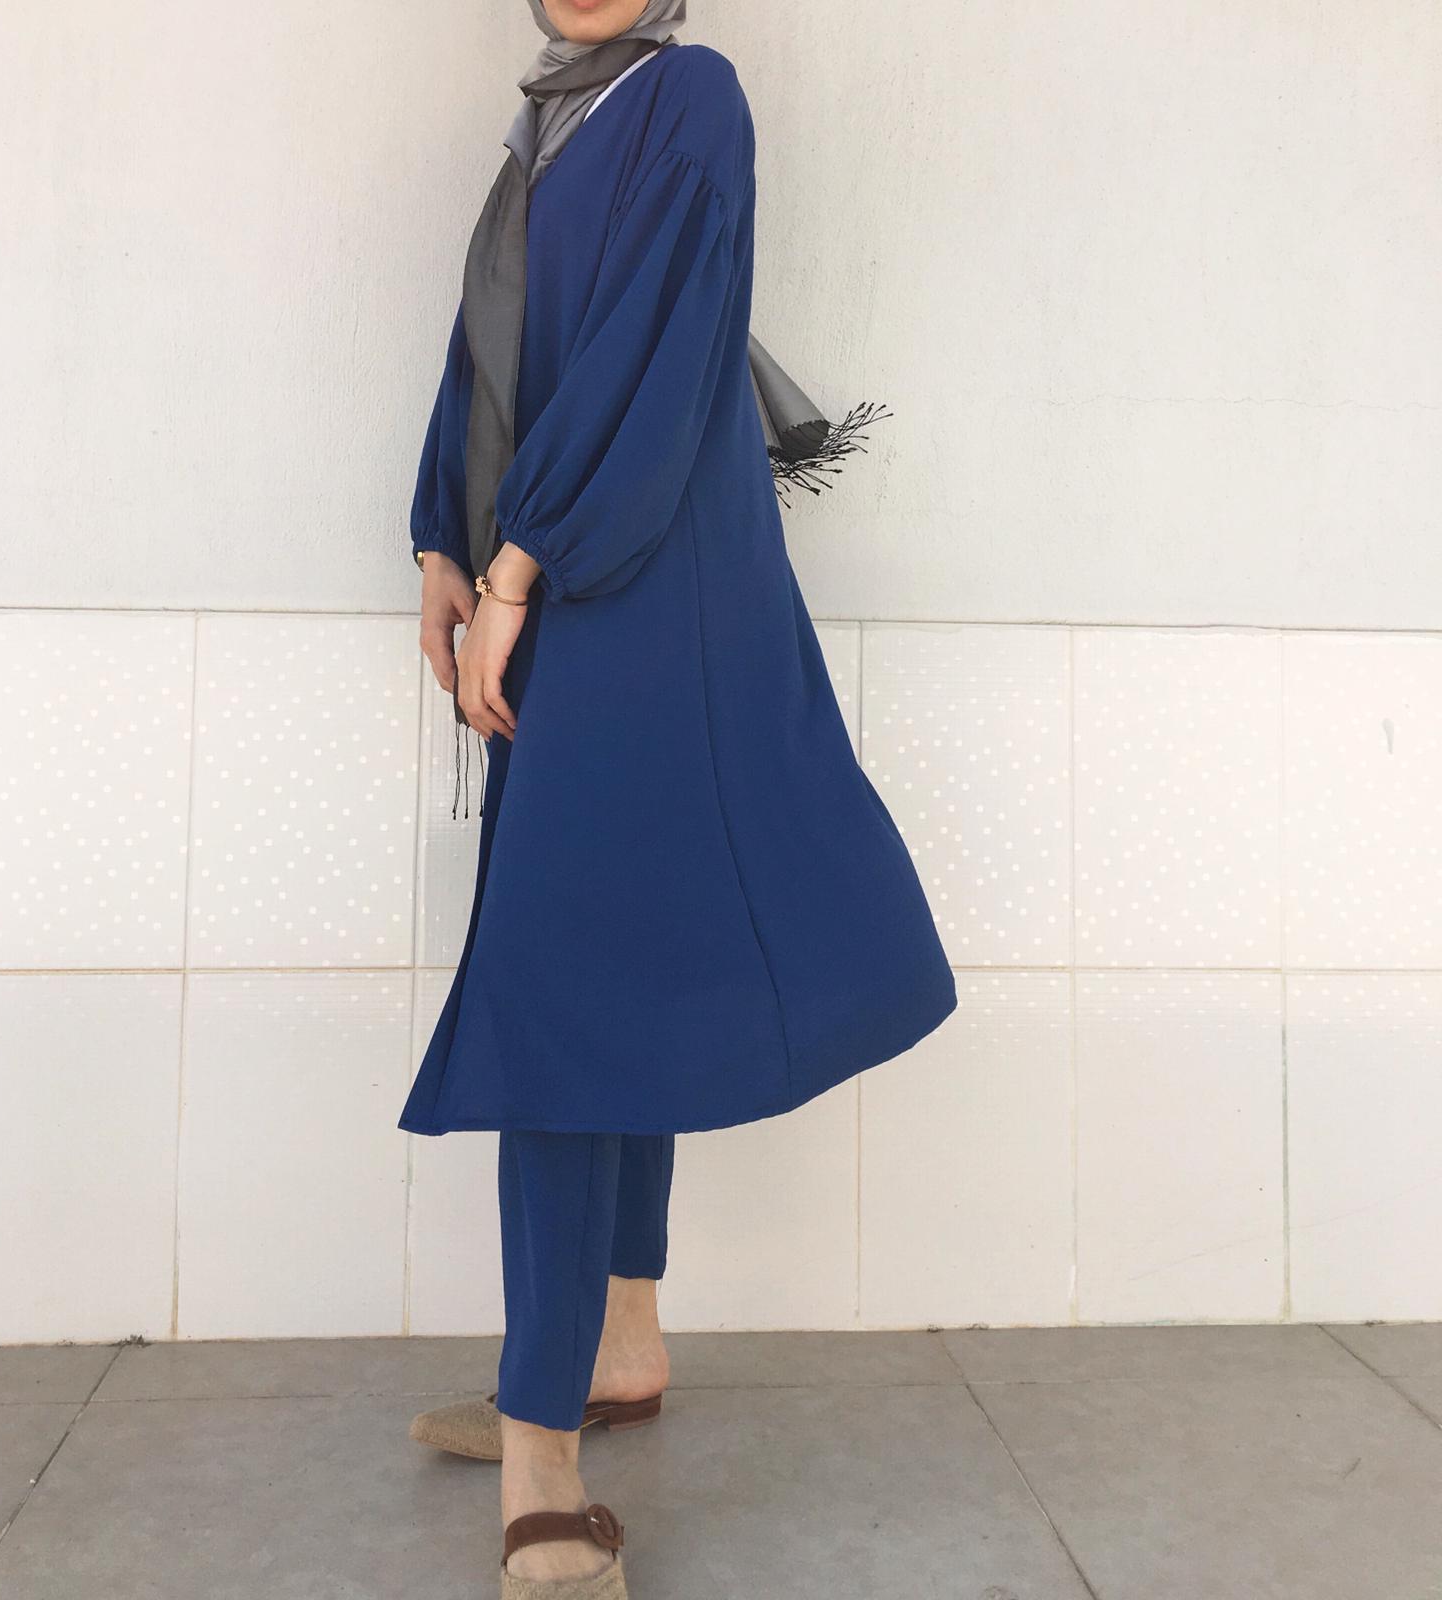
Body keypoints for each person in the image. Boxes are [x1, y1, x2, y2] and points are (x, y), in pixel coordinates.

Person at [402, 4, 958, 1594]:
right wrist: (442, 539)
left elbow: (650, 359)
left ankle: (541, 1460)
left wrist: (522, 564)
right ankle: (620, 1343)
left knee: (559, 1001)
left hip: (643, 599)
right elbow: (496, 347)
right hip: (563, 586)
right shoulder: (547, 120)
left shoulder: (687, 97)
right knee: (611, 975)